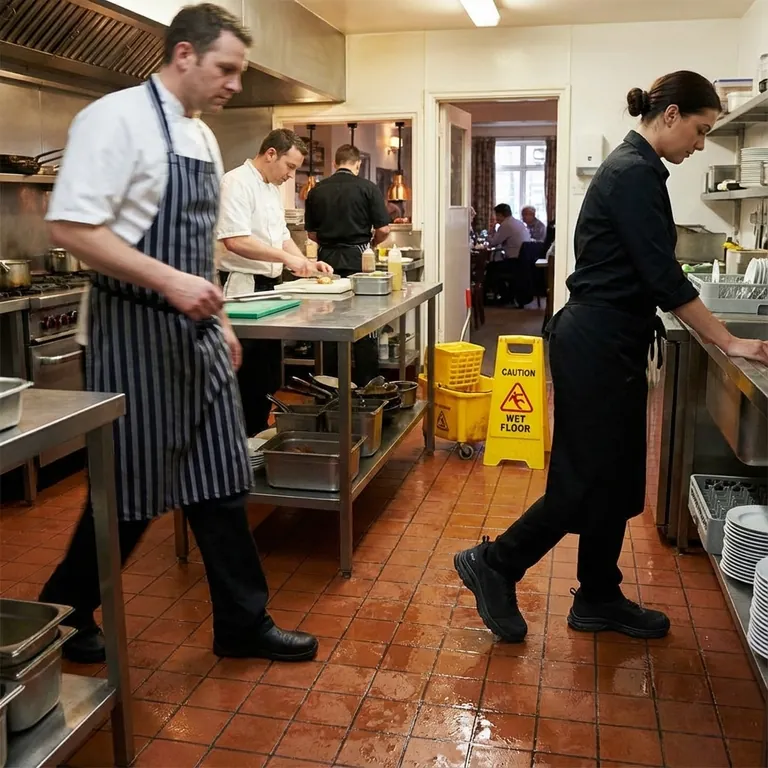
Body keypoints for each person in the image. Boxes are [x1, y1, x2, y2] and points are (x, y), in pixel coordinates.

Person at [39, 4, 318, 665]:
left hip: (195, 331)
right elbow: (71, 230)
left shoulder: (199, 135)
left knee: (222, 476)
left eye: (241, 72)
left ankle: (243, 624)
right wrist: (170, 284)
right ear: (184, 55)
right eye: (226, 68)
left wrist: (217, 317)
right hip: (131, 331)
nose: (234, 84)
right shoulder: (113, 120)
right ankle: (66, 610)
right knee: (134, 486)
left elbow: (198, 251)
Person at [454, 71, 768, 643]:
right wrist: (732, 340)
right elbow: (664, 276)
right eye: (699, 130)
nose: (700, 144)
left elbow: (652, 271)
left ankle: (598, 594)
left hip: (612, 340)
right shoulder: (632, 173)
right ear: (670, 115)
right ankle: (495, 563)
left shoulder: (640, 170)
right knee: (580, 480)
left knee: (620, 481)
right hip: (595, 342)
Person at [217, 129, 333, 435]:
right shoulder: (235, 182)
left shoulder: (270, 188)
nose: (290, 175)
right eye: (290, 167)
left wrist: (306, 262)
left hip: (267, 288)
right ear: (271, 154)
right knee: (245, 373)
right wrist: (288, 261)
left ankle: (256, 436)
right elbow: (235, 241)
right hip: (242, 288)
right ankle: (238, 442)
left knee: (267, 374)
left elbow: (282, 237)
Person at [305, 143, 391, 385]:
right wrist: (372, 243)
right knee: (365, 325)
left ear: (335, 162)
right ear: (358, 164)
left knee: (328, 325)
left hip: (326, 263)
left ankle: (330, 387)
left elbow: (311, 234)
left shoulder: (317, 190)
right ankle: (368, 388)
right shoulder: (368, 188)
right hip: (359, 260)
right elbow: (384, 229)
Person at [484, 203, 530, 304]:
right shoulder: (518, 222)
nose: (496, 218)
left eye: (496, 215)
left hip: (515, 262)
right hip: (524, 261)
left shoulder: (506, 225)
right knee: (495, 266)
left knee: (491, 268)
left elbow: (493, 243)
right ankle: (507, 295)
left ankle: (500, 297)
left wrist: (489, 233)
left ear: (500, 215)